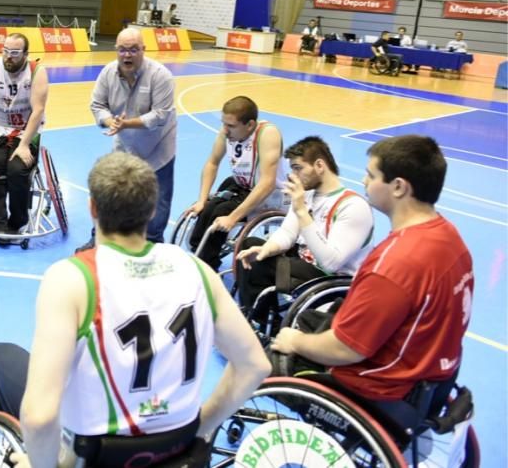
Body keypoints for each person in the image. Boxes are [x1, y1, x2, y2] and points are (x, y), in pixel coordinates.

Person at [0, 153, 270, 468]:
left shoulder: (72, 279)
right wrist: (200, 428)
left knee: (2, 358)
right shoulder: (196, 269)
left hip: (96, 456)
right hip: (178, 449)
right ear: (151, 211)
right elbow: (255, 365)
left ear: (93, 208)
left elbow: (39, 418)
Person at [271, 135, 473, 405]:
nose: (364, 181)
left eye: (371, 174)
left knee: (261, 362)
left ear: (398, 187)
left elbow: (345, 349)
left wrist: (294, 342)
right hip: (434, 377)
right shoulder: (451, 238)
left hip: (379, 384)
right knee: (312, 319)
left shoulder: (395, 262)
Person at [235, 136, 374, 309]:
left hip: (332, 279)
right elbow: (287, 233)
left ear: (319, 166)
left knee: (261, 267)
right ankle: (258, 316)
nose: (293, 176)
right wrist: (267, 248)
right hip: (305, 263)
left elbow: (331, 263)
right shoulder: (307, 194)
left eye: (298, 168)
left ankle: (258, 321)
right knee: (251, 246)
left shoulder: (353, 206)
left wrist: (301, 211)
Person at [90, 28, 176, 244]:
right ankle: (101, 238)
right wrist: (111, 121)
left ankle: (154, 242)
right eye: (122, 49)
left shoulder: (160, 75)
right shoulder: (108, 73)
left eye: (133, 50)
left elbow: (160, 115)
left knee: (159, 200)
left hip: (158, 148)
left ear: (143, 50)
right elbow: (97, 105)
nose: (127, 55)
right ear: (116, 50)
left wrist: (126, 123)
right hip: (124, 146)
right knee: (113, 193)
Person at [188, 96, 289, 271]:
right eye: (224, 124)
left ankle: (208, 265)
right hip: (245, 185)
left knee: (220, 213)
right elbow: (212, 163)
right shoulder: (226, 131)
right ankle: (197, 249)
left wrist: (232, 218)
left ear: (249, 125)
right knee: (209, 207)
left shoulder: (268, 134)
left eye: (231, 126)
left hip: (274, 195)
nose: (225, 130)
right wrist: (201, 200)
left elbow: (267, 183)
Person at [0, 33, 48, 235]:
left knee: (17, 170)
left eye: (14, 53)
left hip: (27, 130)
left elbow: (38, 110)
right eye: (5, 51)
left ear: (25, 54)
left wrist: (23, 145)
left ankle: (17, 221)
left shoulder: (37, 71)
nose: (8, 57)